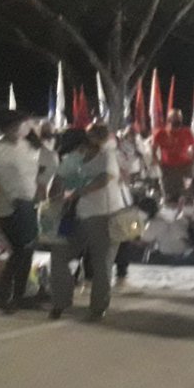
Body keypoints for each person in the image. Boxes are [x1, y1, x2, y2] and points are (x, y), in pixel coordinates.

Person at [48, 124, 125, 321]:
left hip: (105, 216)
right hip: (74, 217)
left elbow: (104, 178)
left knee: (101, 263)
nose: (77, 152)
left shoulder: (106, 157)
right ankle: (60, 302)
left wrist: (77, 192)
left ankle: (98, 308)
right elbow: (56, 182)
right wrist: (56, 195)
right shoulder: (73, 158)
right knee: (59, 254)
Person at [0, 111, 40, 313]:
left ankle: (19, 294)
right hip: (10, 206)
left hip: (28, 203)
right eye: (17, 125)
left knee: (27, 250)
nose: (21, 128)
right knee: (20, 250)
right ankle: (4, 295)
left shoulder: (26, 146)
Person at [152, 108, 194, 200]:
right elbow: (153, 149)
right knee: (168, 196)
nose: (178, 120)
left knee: (186, 196)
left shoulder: (187, 132)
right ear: (169, 119)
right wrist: (157, 161)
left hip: (184, 168)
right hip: (167, 169)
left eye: (179, 118)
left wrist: (192, 161)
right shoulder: (161, 133)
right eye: (175, 118)